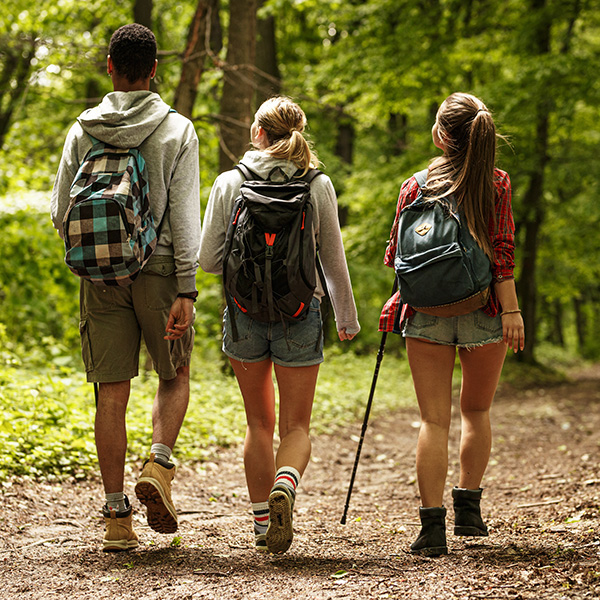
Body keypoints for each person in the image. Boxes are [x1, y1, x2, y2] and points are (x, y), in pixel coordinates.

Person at [51, 24, 201, 552]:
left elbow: (59, 211)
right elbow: (185, 218)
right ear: (155, 69)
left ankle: (117, 519)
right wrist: (187, 286)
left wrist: (99, 256)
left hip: (101, 276)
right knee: (174, 372)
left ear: (110, 67)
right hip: (160, 273)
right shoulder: (177, 129)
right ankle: (158, 466)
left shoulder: (82, 129)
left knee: (110, 395)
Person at [199, 96, 360, 554]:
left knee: (257, 423)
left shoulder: (230, 182)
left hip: (245, 315)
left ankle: (259, 526)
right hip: (299, 314)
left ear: (257, 134)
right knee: (297, 427)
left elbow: (209, 262)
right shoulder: (317, 183)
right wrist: (346, 317)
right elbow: (332, 258)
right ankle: (285, 484)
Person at [380, 92, 525, 556]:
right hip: (484, 310)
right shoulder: (495, 183)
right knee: (476, 412)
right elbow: (503, 253)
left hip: (425, 313)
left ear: (441, 135)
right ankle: (470, 514)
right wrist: (512, 311)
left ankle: (431, 529)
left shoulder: (414, 185)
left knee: (432, 420)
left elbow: (394, 255)